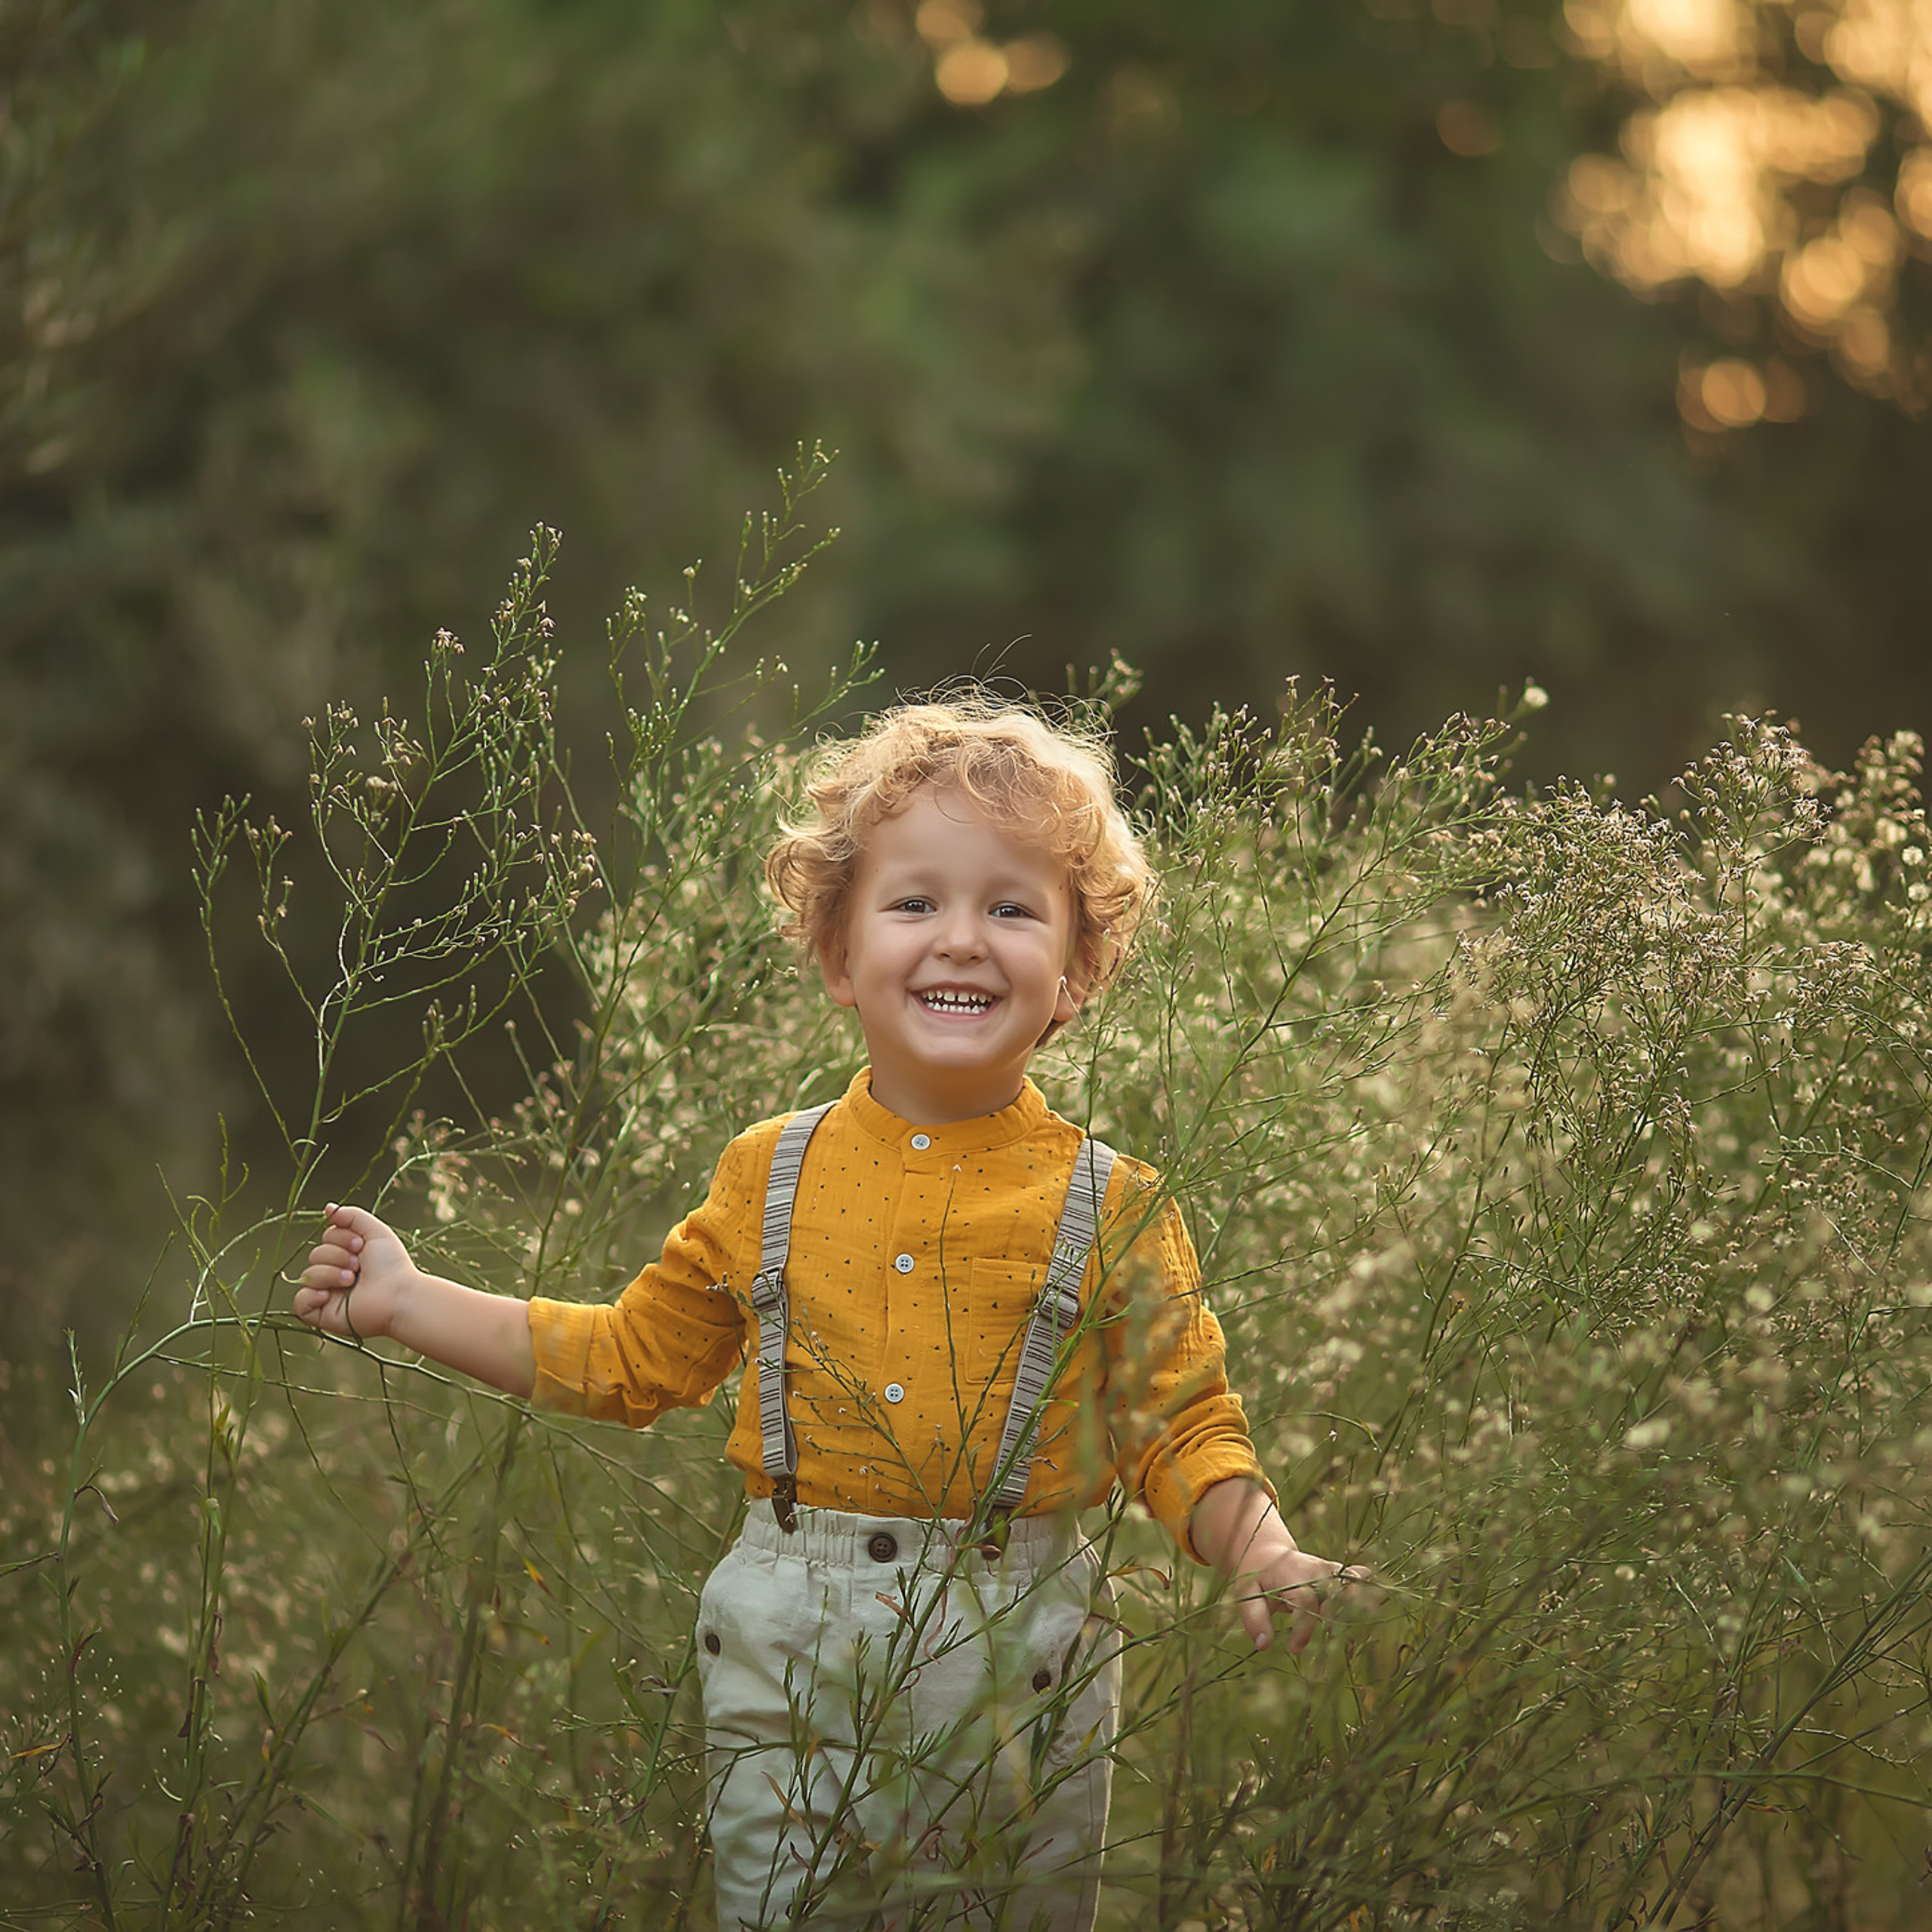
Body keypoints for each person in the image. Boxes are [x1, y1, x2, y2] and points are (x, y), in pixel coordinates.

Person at [296, 697, 1353, 1930]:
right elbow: (633, 1361)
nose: (962, 940)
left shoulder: (1113, 1203)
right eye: (916, 904)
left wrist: (1261, 1548)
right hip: (788, 1641)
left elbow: (1180, 1423)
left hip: (1018, 1658)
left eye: (1011, 909)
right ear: (841, 957)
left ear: (1074, 974)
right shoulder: (770, 1173)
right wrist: (411, 1300)